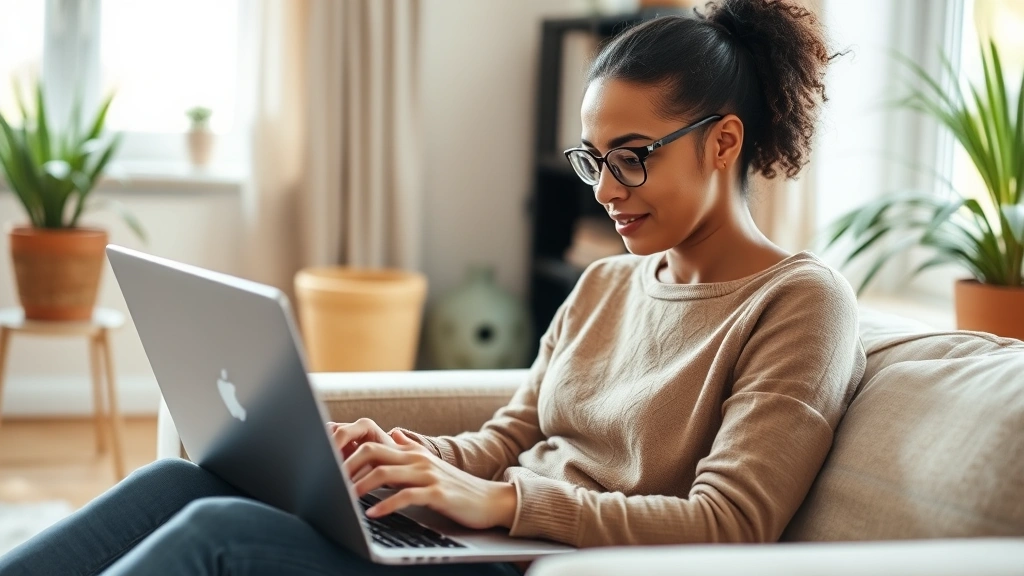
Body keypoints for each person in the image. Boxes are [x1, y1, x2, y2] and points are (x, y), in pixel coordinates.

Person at [0, 0, 865, 574]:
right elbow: (507, 438)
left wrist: (501, 502)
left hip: (532, 563)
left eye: (632, 156)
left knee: (212, 539)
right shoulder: (606, 285)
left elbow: (731, 523)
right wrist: (401, 459)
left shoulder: (799, 304)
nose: (604, 189)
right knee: (181, 485)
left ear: (723, 144)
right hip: (478, 536)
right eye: (594, 160)